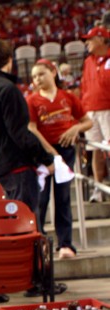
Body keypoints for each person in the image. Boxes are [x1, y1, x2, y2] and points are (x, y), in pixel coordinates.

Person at [0, 39, 66, 300]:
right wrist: (44, 157)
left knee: (12, 227)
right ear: (9, 60)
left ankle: (7, 279)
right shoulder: (8, 88)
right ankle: (34, 281)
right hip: (15, 166)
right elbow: (20, 133)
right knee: (28, 226)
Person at [26, 59, 92, 259]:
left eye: (41, 74)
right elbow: (31, 128)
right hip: (43, 154)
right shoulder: (32, 100)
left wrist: (75, 128)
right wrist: (48, 152)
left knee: (63, 197)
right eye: (34, 76)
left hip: (66, 151)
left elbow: (87, 121)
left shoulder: (68, 97)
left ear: (53, 72)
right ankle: (38, 241)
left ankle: (66, 244)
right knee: (42, 198)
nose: (37, 79)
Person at [80, 26, 110, 203]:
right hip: (91, 111)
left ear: (101, 39)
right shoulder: (88, 62)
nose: (87, 43)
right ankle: (98, 190)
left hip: (108, 110)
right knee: (96, 151)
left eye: (90, 39)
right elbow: (84, 87)